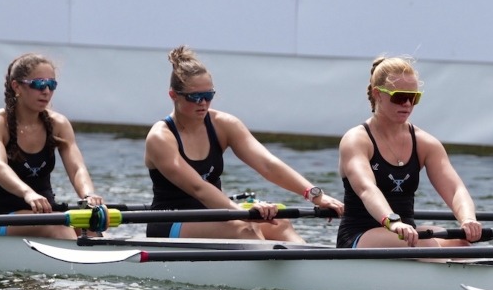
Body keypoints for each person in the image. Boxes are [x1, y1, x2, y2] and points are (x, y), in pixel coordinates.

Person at [144, 45, 344, 241]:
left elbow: (267, 164)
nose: (202, 103)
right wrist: (239, 212)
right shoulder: (161, 137)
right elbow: (199, 188)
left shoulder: (224, 124)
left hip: (214, 215)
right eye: (195, 97)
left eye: (208, 96)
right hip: (170, 221)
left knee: (280, 223)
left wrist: (315, 195)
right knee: (246, 227)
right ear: (173, 95)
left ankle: (309, 267)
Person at [335, 56, 483, 249]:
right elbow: (366, 189)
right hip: (359, 236)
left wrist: (468, 219)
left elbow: (455, 189)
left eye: (413, 98)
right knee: (427, 244)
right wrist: (392, 221)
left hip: (406, 234)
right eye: (399, 97)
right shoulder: (356, 140)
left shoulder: (425, 143)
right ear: (378, 94)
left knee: (461, 245)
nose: (407, 104)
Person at [0, 53, 103, 239]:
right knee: (59, 227)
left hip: (45, 213)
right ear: (16, 86)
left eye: (51, 85)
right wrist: (28, 193)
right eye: (39, 84)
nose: (46, 91)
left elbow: (77, 168)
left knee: (92, 226)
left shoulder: (58, 123)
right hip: (2, 217)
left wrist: (89, 195)